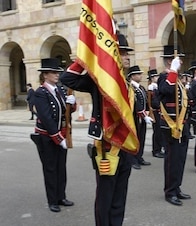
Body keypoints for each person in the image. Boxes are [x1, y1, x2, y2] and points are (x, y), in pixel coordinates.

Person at [60, 34, 134, 226]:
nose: (127, 57)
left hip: (125, 146)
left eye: (128, 53)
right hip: (107, 147)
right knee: (105, 196)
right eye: (123, 53)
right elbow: (67, 78)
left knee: (120, 194)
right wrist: (85, 59)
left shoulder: (127, 84)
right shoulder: (99, 81)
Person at [32, 58, 76, 212]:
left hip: (62, 135)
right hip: (47, 137)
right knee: (50, 169)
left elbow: (67, 112)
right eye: (53, 72)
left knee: (61, 167)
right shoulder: (40, 93)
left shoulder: (61, 90)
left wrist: (73, 103)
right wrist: (58, 138)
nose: (57, 75)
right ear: (45, 75)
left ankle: (61, 196)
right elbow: (46, 118)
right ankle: (52, 200)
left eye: (58, 72)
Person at [158, 45, 191, 206]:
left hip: (182, 125)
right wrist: (173, 71)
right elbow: (165, 91)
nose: (182, 62)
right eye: (179, 60)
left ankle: (177, 187)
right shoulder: (164, 77)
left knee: (181, 159)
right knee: (172, 160)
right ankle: (170, 191)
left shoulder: (177, 79)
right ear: (170, 61)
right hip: (170, 126)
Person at [127, 65, 152, 169]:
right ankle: (132, 159)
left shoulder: (140, 87)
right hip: (134, 117)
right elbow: (135, 103)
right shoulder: (130, 87)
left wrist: (146, 113)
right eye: (138, 74)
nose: (140, 76)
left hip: (142, 116)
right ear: (132, 76)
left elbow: (145, 101)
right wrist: (142, 113)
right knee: (134, 138)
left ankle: (139, 156)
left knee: (141, 137)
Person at [147, 69, 165, 158]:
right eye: (155, 77)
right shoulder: (151, 88)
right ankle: (156, 150)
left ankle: (159, 148)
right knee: (157, 132)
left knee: (160, 132)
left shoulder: (157, 87)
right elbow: (154, 102)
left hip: (160, 111)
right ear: (152, 78)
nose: (157, 78)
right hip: (155, 111)